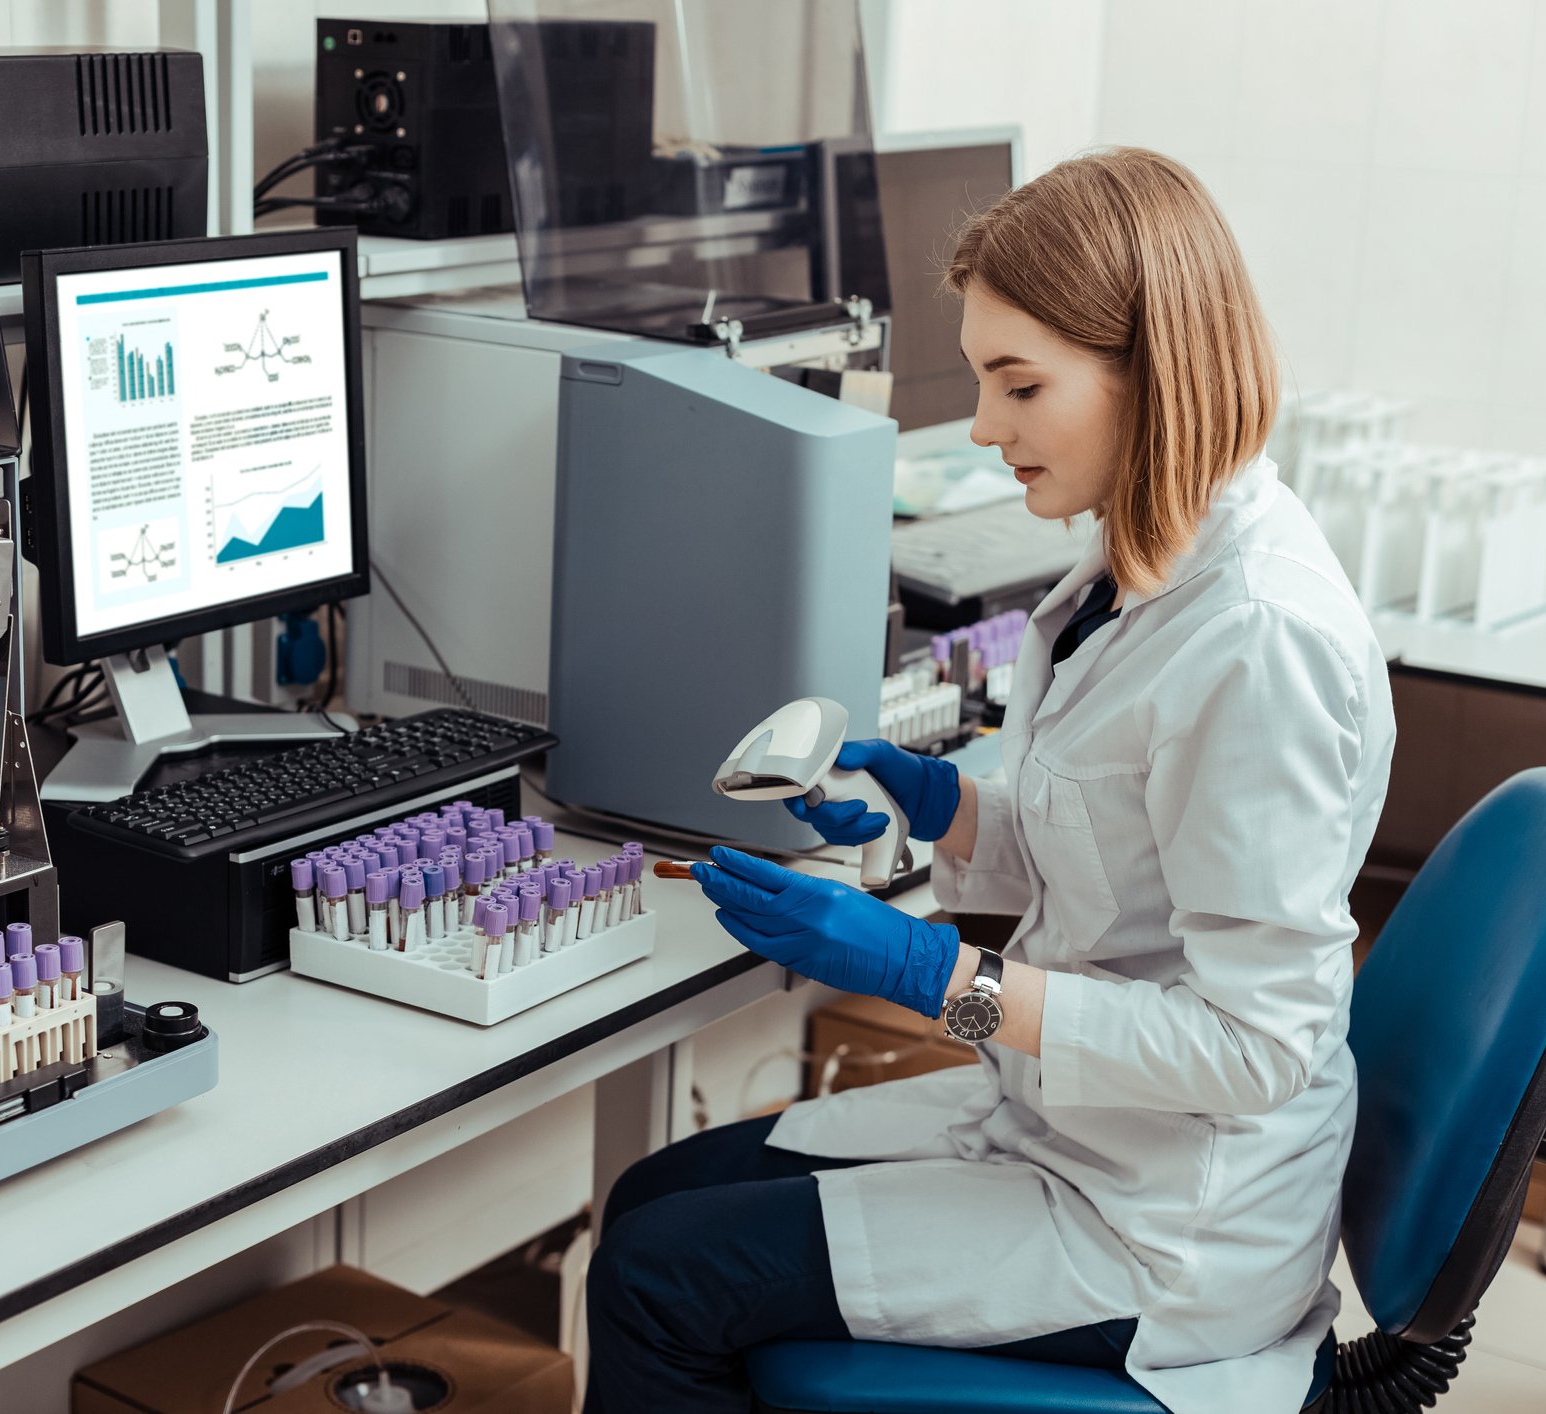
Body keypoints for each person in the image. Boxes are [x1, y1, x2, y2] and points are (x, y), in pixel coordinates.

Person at [583, 147, 1397, 1414]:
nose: (981, 427)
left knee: (654, 1275)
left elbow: (1256, 1050)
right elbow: (1132, 858)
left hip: (1164, 1224)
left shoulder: (1258, 637)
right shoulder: (1142, 566)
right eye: (980, 380)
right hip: (1072, 1130)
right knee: (650, 1199)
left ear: (1157, 373)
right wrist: (938, 804)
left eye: (1021, 385)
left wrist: (925, 975)